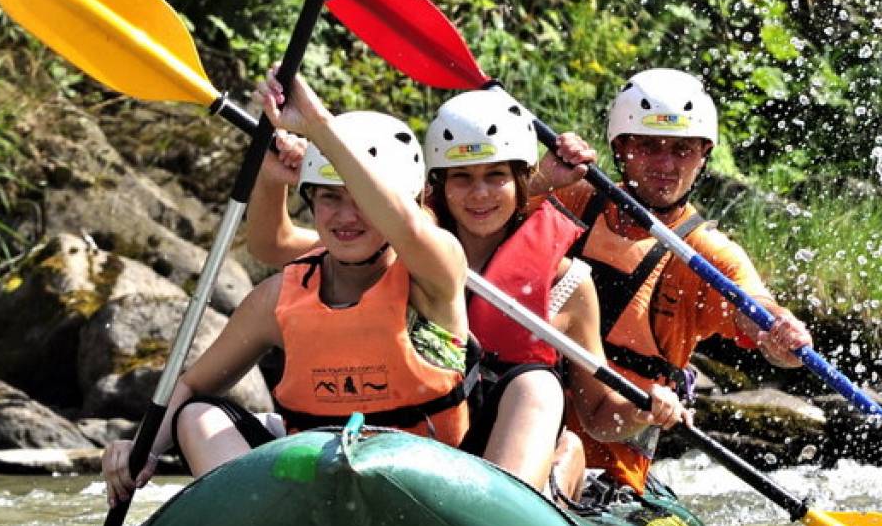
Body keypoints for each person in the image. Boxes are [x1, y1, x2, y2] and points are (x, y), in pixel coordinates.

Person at [246, 88, 690, 498]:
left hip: (506, 457)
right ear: (436, 187)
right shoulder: (396, 245)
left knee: (551, 411)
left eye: (495, 176)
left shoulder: (566, 283)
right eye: (462, 178)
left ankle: (540, 499)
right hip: (416, 446)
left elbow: (597, 415)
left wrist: (643, 410)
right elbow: (273, 246)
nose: (478, 194)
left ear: (522, 180)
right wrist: (272, 177)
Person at [103, 72, 469, 506]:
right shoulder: (279, 298)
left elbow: (406, 228)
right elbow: (191, 386)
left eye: (360, 198)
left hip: (427, 491)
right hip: (315, 499)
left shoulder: (433, 272)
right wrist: (142, 447)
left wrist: (316, 125)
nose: (345, 216)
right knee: (198, 417)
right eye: (329, 197)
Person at [539, 68, 814, 495]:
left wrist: (780, 332)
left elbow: (757, 313)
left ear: (704, 155)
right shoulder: (572, 196)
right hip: (525, 421)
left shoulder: (706, 255)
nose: (665, 165)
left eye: (682, 150)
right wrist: (541, 177)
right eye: (649, 147)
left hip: (607, 471)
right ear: (621, 147)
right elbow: (470, 220)